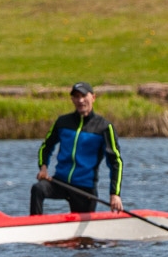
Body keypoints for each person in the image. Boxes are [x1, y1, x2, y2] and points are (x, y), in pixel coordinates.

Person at [30, 82, 124, 216]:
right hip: (59, 182)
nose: (80, 100)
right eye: (76, 97)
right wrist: (43, 167)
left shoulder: (104, 127)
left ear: (93, 97)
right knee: (38, 189)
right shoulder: (62, 122)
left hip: (85, 188)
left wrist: (115, 194)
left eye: (84, 96)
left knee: (83, 237)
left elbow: (116, 162)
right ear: (72, 99)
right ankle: (35, 226)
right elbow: (46, 146)